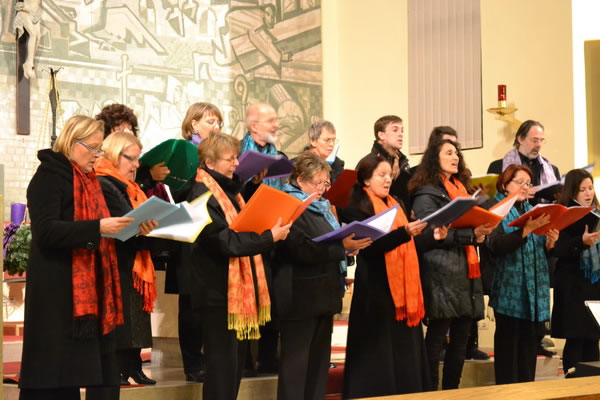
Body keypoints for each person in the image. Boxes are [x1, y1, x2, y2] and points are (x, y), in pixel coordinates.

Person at [19, 115, 137, 400]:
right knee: (50, 378)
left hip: (81, 289)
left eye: (100, 149)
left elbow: (98, 228)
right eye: (93, 148)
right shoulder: (49, 177)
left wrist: (132, 227)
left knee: (68, 378)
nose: (97, 155)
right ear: (72, 142)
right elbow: (46, 231)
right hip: (55, 289)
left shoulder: (88, 179)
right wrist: (98, 228)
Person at [185, 133, 291, 400]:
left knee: (232, 370)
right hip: (216, 293)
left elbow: (241, 224)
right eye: (229, 159)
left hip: (234, 294)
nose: (235, 164)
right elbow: (225, 242)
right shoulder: (201, 194)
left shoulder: (228, 190)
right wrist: (269, 237)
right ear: (210, 162)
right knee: (222, 371)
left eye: (236, 158)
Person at [342, 154, 448, 398]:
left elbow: (409, 245)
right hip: (375, 292)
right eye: (381, 175)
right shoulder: (357, 206)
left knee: (404, 350)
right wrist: (404, 233)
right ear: (366, 180)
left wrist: (433, 237)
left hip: (403, 290)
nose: (388, 179)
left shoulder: (395, 203)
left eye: (390, 175)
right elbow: (371, 247)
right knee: (379, 354)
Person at [273, 151, 371, 400]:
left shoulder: (323, 208)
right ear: (299, 180)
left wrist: (347, 249)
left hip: (323, 294)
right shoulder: (289, 205)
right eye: (317, 182)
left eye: (326, 183)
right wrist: (341, 248)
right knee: (296, 367)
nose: (323, 189)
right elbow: (299, 249)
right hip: (299, 296)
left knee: (318, 366)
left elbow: (328, 243)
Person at [408, 139, 493, 390]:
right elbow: (430, 232)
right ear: (434, 159)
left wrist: (477, 232)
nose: (455, 157)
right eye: (448, 153)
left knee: (461, 341)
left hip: (465, 268)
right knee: (437, 338)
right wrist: (470, 235)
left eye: (456, 153)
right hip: (440, 270)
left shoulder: (461, 189)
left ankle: (452, 392)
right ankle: (429, 392)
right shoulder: (425, 193)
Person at [487, 120, 560, 357]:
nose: (525, 187)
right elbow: (496, 245)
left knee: (528, 355)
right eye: (519, 183)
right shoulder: (497, 208)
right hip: (510, 291)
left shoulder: (531, 209)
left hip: (533, 292)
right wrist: (525, 231)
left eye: (528, 184)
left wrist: (550, 243)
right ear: (505, 184)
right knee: (509, 353)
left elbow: (539, 248)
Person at [95, 132, 160, 385]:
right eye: (131, 159)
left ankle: (134, 366)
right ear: (114, 154)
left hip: (134, 257)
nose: (136, 165)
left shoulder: (129, 186)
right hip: (118, 259)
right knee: (125, 319)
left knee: (136, 317)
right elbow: (123, 222)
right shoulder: (105, 182)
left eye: (137, 159)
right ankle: (121, 369)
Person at [169, 102, 224, 382]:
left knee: (209, 304)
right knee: (190, 306)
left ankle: (210, 358)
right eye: (211, 121)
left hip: (214, 233)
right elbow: (175, 192)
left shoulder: (219, 155)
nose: (216, 127)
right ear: (194, 124)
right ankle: (193, 363)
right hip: (189, 237)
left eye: (219, 123)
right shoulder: (183, 152)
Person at [239, 101, 288, 373]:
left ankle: (268, 358)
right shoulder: (238, 154)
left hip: (274, 234)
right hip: (246, 237)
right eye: (271, 120)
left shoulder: (278, 156)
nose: (276, 125)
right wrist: (252, 183)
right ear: (254, 125)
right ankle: (246, 361)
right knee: (249, 300)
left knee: (273, 300)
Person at [551, 168, 600, 374]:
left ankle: (592, 386)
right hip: (573, 286)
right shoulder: (565, 215)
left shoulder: (597, 213)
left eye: (590, 188)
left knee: (593, 339)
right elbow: (557, 249)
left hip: (594, 285)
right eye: (583, 190)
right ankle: (572, 385)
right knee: (576, 339)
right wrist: (581, 242)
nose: (588, 193)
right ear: (572, 192)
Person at [95, 103, 170, 192]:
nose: (129, 133)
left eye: (130, 129)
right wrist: (149, 176)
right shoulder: (99, 166)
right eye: (121, 130)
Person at [487, 120, 560, 205]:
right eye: (535, 140)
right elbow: (493, 201)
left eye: (541, 140)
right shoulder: (497, 166)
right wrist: (519, 194)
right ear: (520, 139)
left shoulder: (552, 170)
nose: (539, 145)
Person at [366, 115, 412, 209]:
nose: (400, 134)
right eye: (395, 130)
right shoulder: (369, 163)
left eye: (402, 131)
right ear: (381, 135)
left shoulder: (402, 162)